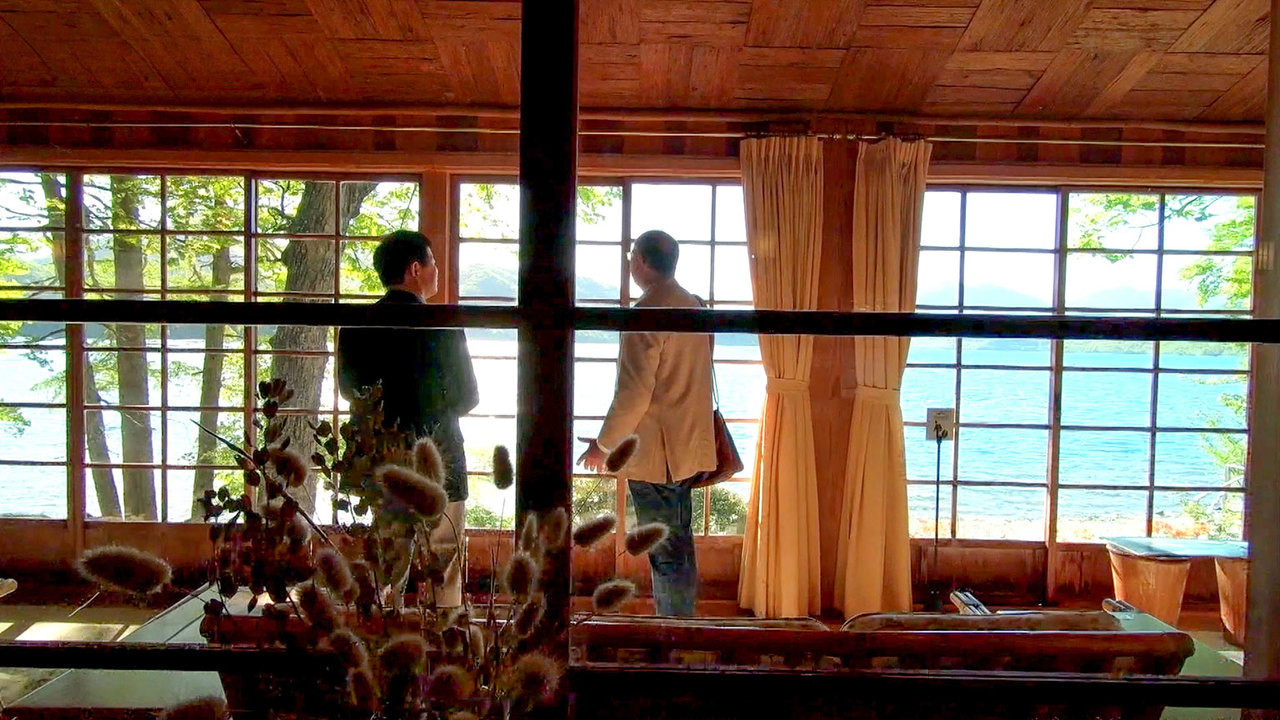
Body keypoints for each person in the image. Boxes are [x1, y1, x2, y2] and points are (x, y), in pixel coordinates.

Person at [577, 229, 716, 616]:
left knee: (665, 551)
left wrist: (604, 446)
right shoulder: (693, 305)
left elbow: (634, 393)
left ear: (640, 260)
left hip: (658, 454)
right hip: (686, 446)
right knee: (679, 546)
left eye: (631, 257)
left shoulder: (647, 312)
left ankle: (673, 633)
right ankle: (682, 627)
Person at [336, 230, 478, 607]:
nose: (437, 271)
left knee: (387, 558)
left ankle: (382, 631)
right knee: (444, 554)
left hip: (381, 455)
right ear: (415, 269)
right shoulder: (443, 323)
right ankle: (447, 633)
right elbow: (468, 397)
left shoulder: (355, 324)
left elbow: (350, 390)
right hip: (440, 454)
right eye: (433, 263)